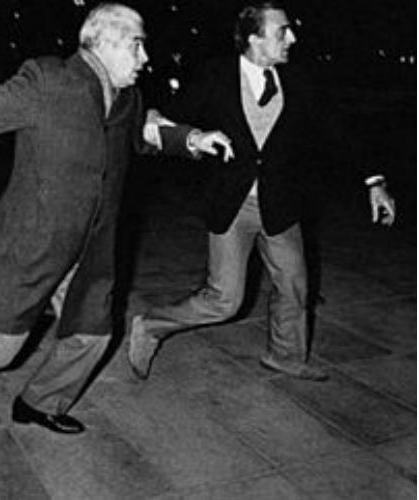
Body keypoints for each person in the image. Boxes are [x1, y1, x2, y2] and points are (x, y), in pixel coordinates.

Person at [0, 3, 233, 435]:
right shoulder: (48, 80)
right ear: (105, 41)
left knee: (90, 335)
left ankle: (39, 403)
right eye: (137, 45)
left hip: (92, 246)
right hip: (33, 243)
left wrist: (192, 138)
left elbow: (143, 133)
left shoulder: (128, 95)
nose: (146, 59)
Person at [127, 0, 397, 382]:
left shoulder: (300, 81)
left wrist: (374, 181)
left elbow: (339, 132)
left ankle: (285, 357)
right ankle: (151, 325)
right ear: (254, 38)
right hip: (231, 205)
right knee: (224, 301)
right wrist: (159, 122)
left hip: (281, 205)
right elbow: (173, 116)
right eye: (281, 31)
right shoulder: (215, 76)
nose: (292, 37)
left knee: (294, 286)